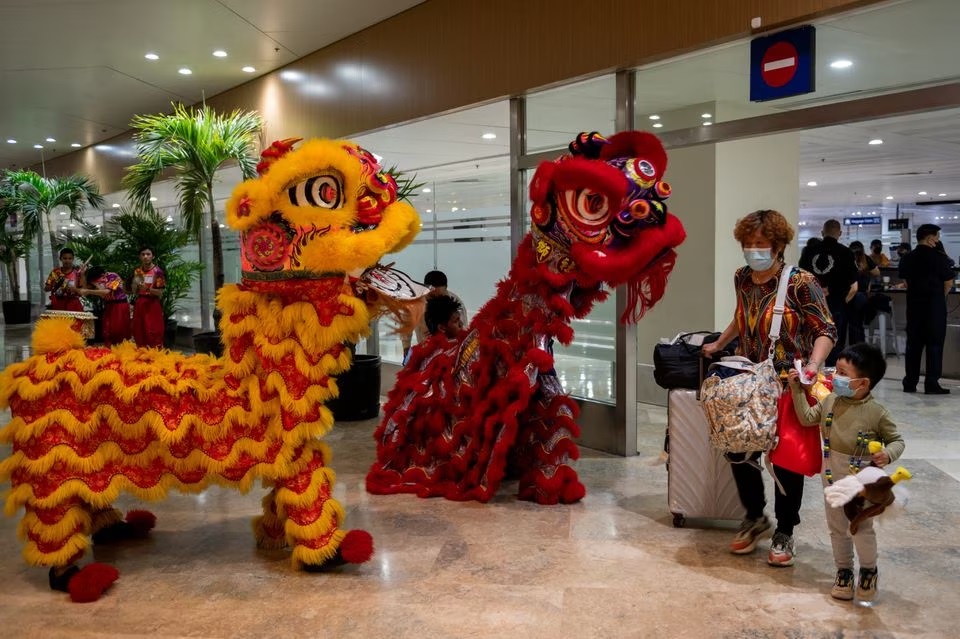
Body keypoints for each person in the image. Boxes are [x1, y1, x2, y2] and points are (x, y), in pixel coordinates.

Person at [702, 209, 836, 567]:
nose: (752, 250)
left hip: (789, 383)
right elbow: (741, 314)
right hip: (748, 380)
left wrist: (812, 366)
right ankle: (755, 516)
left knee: (786, 460)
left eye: (760, 244)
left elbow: (825, 329)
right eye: (748, 244)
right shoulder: (742, 277)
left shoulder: (800, 282)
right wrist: (719, 344)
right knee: (738, 448)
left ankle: (785, 530)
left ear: (777, 246)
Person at [788, 342, 905, 603]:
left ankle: (868, 570)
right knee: (837, 527)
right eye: (835, 371)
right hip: (831, 476)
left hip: (861, 482)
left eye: (842, 373)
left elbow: (897, 440)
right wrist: (797, 390)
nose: (834, 377)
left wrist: (888, 454)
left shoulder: (876, 412)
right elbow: (807, 417)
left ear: (863, 383)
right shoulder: (830, 401)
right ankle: (843, 571)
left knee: (861, 527)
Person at [898, 224, 955, 394]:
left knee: (913, 346)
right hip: (934, 308)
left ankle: (910, 383)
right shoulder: (940, 258)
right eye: (937, 237)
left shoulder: (907, 258)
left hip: (914, 307)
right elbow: (948, 282)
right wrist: (939, 298)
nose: (938, 240)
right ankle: (931, 383)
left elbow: (906, 281)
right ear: (930, 238)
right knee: (934, 346)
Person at [798, 219, 858, 365]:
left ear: (822, 232)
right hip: (835, 303)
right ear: (840, 233)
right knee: (834, 342)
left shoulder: (809, 251)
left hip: (811, 303)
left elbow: (801, 276)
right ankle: (830, 377)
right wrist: (834, 293)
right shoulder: (846, 253)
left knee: (809, 341)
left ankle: (808, 374)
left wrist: (816, 289)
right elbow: (851, 282)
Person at [400, 270, 467, 359]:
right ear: (425, 289)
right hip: (425, 352)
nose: (436, 301)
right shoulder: (414, 303)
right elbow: (405, 326)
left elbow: (462, 329)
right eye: (432, 297)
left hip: (451, 354)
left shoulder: (456, 303)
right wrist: (406, 347)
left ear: (446, 288)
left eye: (440, 296)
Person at [79, 266, 131, 346]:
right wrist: (82, 274)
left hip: (120, 305)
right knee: (107, 329)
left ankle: (122, 349)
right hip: (109, 305)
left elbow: (107, 292)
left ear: (103, 275)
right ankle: (109, 350)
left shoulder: (114, 277)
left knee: (118, 330)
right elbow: (84, 287)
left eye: (96, 280)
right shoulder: (96, 280)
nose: (97, 282)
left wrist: (89, 291)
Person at [846, 241, 880, 346]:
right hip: (863, 297)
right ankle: (860, 347)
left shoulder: (847, 260)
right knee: (858, 324)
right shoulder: (866, 259)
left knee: (852, 324)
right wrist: (868, 279)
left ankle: (853, 347)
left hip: (852, 296)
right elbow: (877, 273)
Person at [131, 246, 166, 348]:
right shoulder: (138, 271)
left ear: (153, 256)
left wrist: (147, 289)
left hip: (152, 303)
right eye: (143, 254)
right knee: (139, 331)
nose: (145, 257)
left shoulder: (158, 272)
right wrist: (135, 285)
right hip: (140, 303)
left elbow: (160, 293)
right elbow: (135, 291)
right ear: (140, 257)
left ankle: (155, 357)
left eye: (148, 254)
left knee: (153, 331)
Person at [44, 247, 84, 312]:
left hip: (74, 304)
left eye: (70, 258)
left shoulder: (77, 273)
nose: (67, 261)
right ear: (60, 259)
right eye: (65, 258)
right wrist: (55, 285)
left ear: (73, 259)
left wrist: (82, 274)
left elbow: (82, 290)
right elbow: (46, 289)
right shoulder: (55, 272)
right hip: (58, 304)